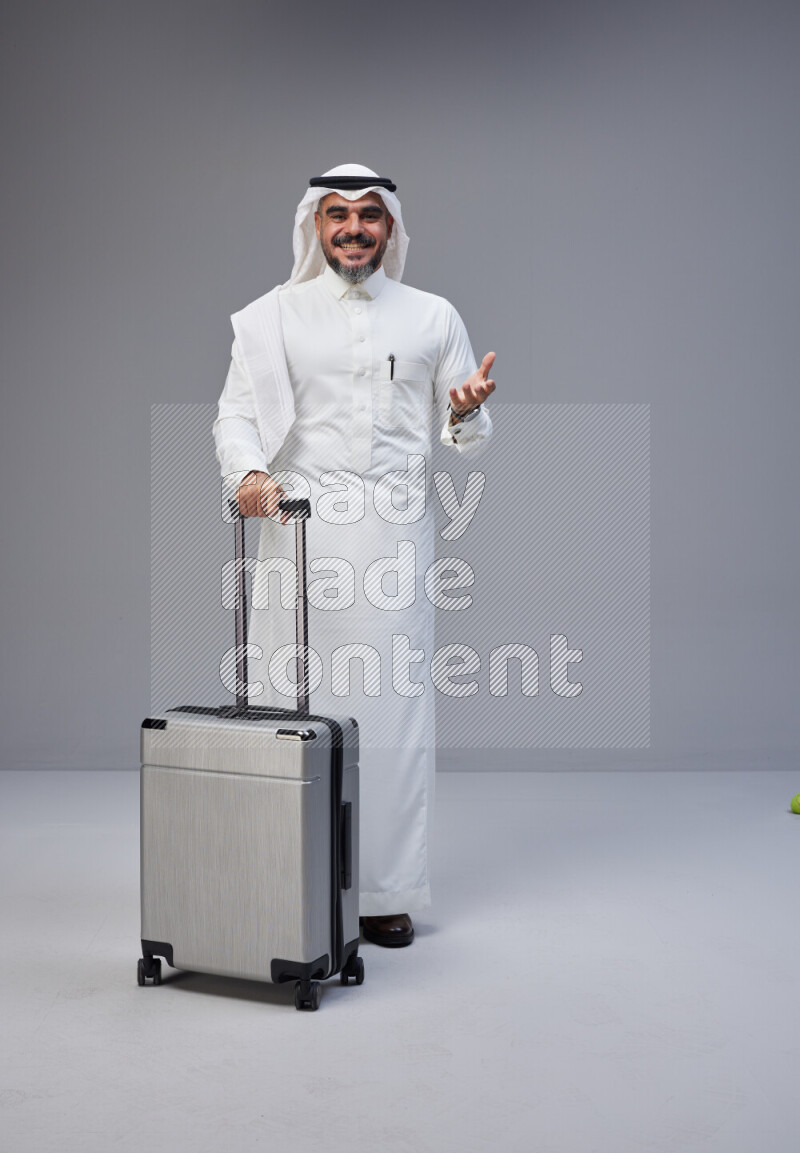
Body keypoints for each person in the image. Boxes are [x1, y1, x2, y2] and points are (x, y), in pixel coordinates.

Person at [213, 164, 496, 948]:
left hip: (394, 541)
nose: (353, 228)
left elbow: (468, 436)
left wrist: (466, 414)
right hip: (297, 534)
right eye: (337, 214)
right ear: (314, 224)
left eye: (370, 215)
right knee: (286, 707)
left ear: (392, 227)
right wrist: (248, 473)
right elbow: (234, 417)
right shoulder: (272, 317)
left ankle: (381, 892)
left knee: (391, 719)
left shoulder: (432, 316)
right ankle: (283, 876)